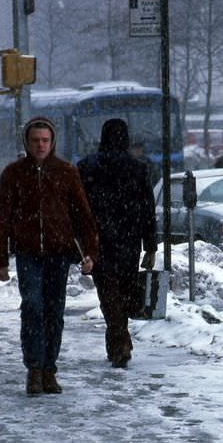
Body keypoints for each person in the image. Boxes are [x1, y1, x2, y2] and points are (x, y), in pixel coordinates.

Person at [0, 116, 99, 395]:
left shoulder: (66, 172)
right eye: (35, 140)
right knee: (32, 306)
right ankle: (34, 369)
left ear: (52, 142)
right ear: (27, 142)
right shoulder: (14, 173)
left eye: (45, 140)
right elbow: (1, 218)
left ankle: (49, 369)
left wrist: (90, 252)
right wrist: (0, 259)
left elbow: (83, 215)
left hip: (58, 253)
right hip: (27, 253)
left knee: (54, 311)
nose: (40, 145)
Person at [77, 119, 157, 369]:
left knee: (108, 294)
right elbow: (148, 209)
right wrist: (150, 246)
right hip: (128, 242)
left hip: (98, 241)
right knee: (123, 293)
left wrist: (79, 240)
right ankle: (120, 342)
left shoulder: (86, 166)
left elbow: (78, 208)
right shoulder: (138, 168)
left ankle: (119, 342)